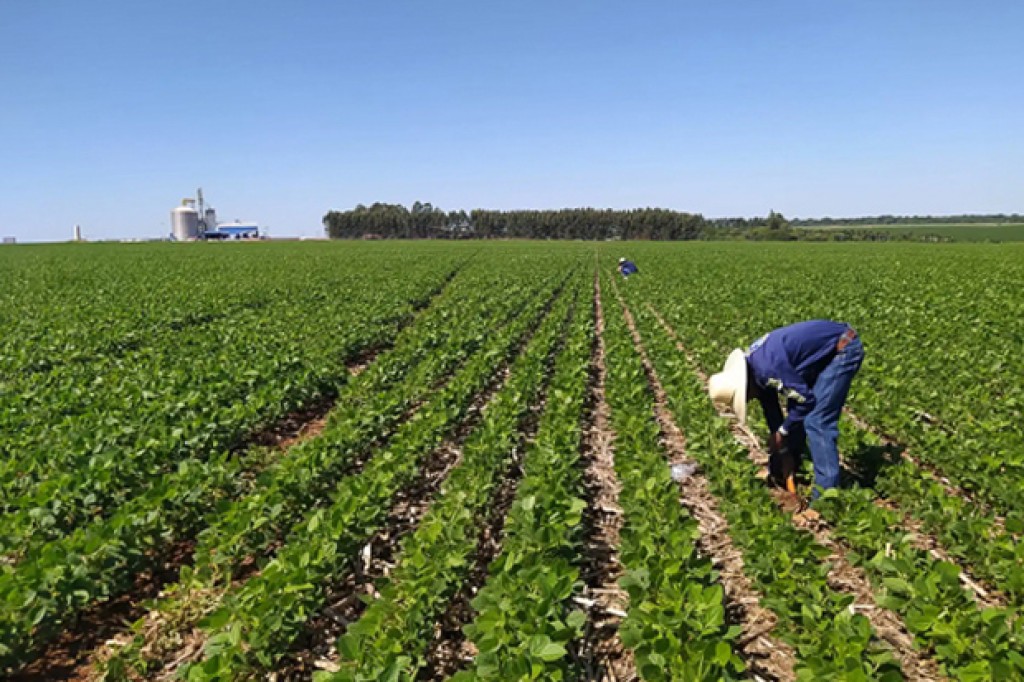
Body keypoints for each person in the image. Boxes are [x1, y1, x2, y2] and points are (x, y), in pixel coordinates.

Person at [708, 320, 864, 503]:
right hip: (818, 357)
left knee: (817, 420)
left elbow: (806, 400)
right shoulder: (756, 371)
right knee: (794, 416)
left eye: (744, 396)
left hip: (842, 348)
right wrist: (782, 446)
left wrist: (783, 431)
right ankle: (783, 472)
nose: (749, 399)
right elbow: (772, 410)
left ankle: (825, 501)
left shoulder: (767, 370)